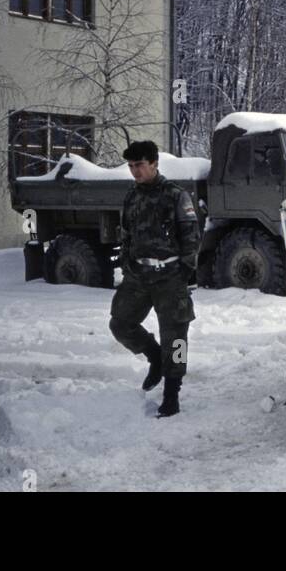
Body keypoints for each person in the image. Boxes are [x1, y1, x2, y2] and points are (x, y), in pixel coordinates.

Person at [109, 141, 201, 418]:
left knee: (176, 338)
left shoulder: (175, 195)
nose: (134, 171)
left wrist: (184, 270)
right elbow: (125, 234)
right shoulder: (131, 197)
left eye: (139, 165)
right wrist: (127, 264)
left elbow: (192, 235)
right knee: (120, 323)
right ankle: (155, 359)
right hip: (138, 275)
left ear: (154, 163)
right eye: (131, 166)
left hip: (169, 276)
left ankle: (172, 392)